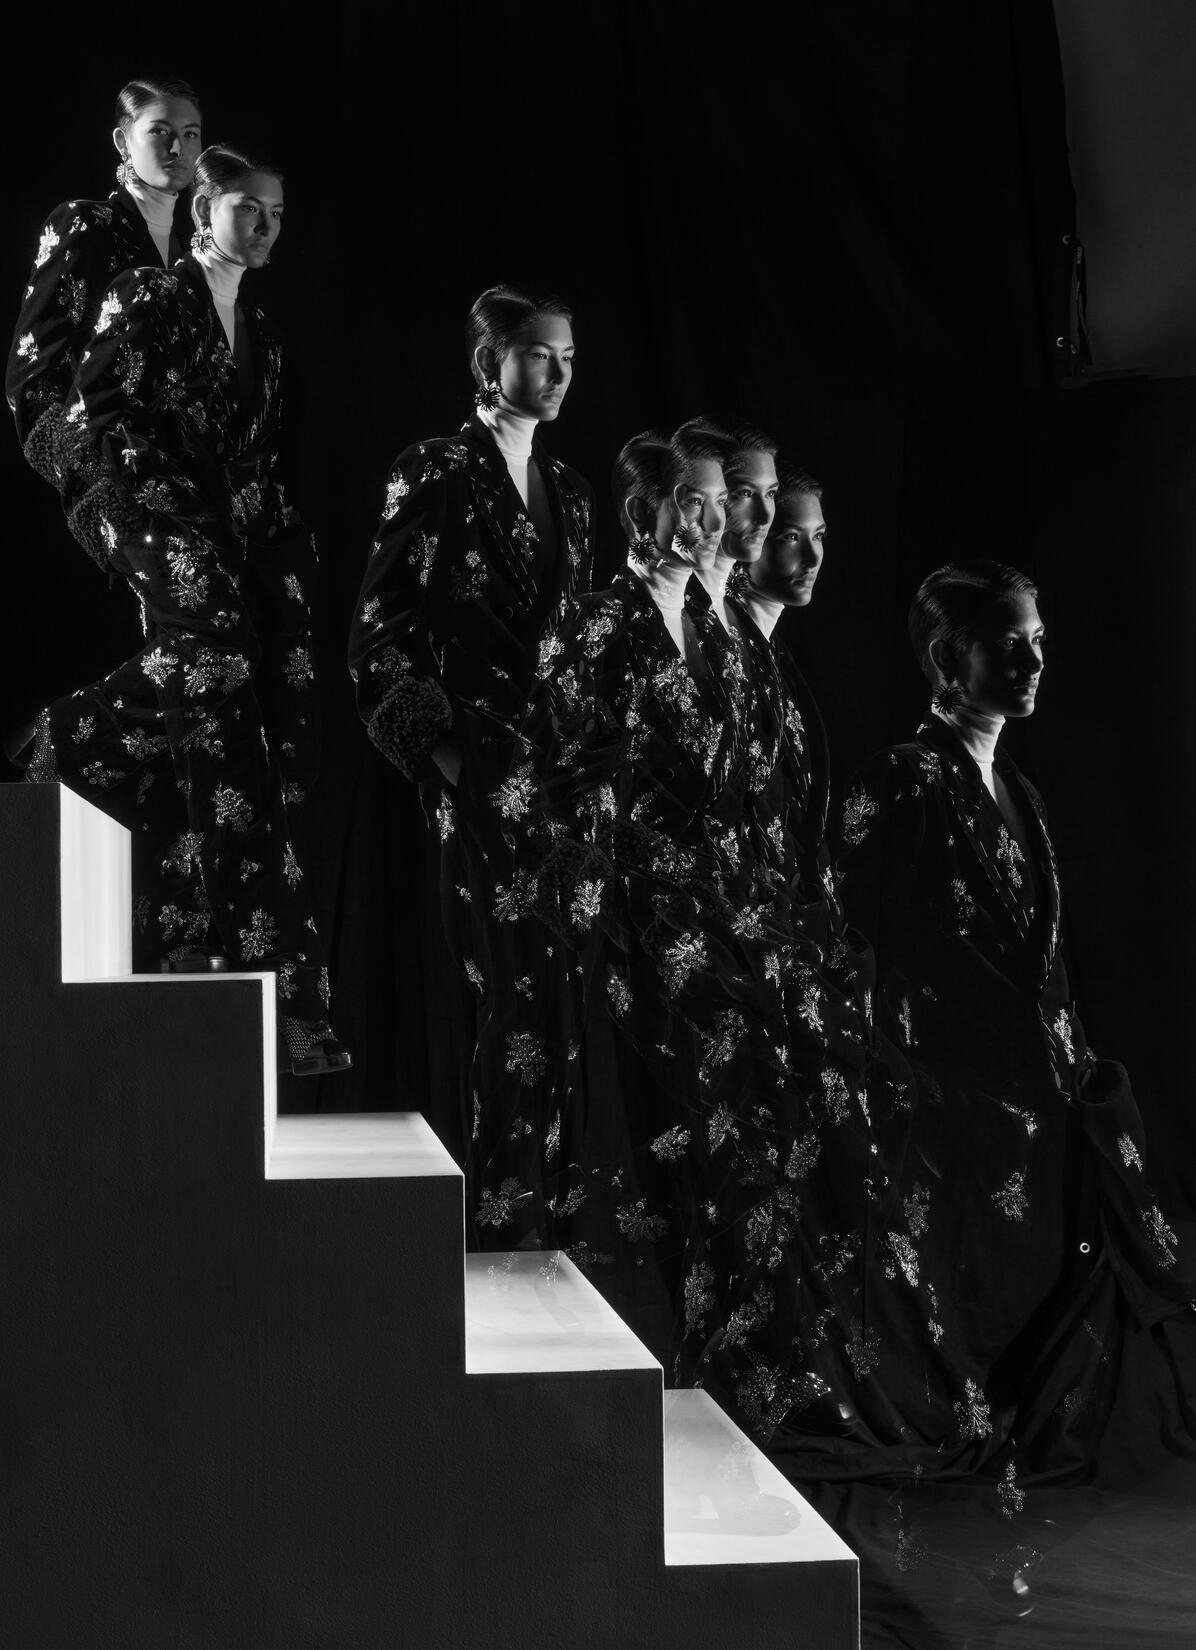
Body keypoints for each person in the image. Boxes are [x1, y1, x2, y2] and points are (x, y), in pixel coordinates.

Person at [836, 561, 1191, 1484]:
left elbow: (1046, 962)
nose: (1033, 664)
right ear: (946, 659)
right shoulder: (904, 780)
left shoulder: (1019, 793)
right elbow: (852, 943)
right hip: (953, 1105)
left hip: (1043, 1096)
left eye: (1038, 643)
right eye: (1008, 645)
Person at [25, 144, 348, 1078]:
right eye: (249, 208)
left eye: (277, 213)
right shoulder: (146, 292)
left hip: (237, 535)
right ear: (205, 209)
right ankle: (277, 982)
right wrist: (141, 522)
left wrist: (270, 540)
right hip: (152, 512)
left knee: (264, 738)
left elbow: (259, 455)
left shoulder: (265, 334)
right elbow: (94, 416)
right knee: (218, 663)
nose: (266, 227)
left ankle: (77, 745)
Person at [348, 284, 594, 1151]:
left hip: (560, 782)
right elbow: (378, 632)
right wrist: (445, 756)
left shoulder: (573, 492)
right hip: (472, 771)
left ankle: (553, 1209)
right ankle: (487, 1207)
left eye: (568, 357)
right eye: (539, 355)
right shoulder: (436, 469)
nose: (559, 374)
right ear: (490, 360)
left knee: (564, 1002)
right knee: (489, 995)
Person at [7, 76, 202, 494]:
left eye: (190, 134)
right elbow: (33, 382)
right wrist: (101, 498)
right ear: (123, 142)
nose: (177, 148)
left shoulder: (190, 261)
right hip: (106, 500)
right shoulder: (86, 226)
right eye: (160, 131)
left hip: (180, 503)